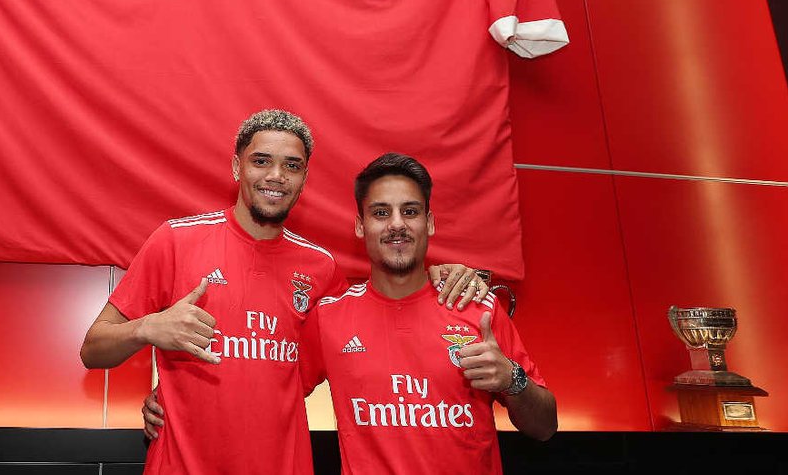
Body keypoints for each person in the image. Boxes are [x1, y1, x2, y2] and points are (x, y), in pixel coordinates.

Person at [81, 110, 487, 475]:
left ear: (304, 178)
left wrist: (445, 274)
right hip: (181, 464)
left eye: (292, 166)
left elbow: (382, 317)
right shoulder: (175, 241)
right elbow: (93, 349)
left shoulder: (321, 268)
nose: (276, 176)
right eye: (261, 161)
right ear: (236, 167)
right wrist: (148, 328)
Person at [296, 153, 556, 474]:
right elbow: (272, 396)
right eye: (381, 213)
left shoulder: (477, 307)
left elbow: (545, 427)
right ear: (361, 226)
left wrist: (512, 379)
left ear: (429, 222)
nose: (397, 224)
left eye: (410, 211)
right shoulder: (328, 318)